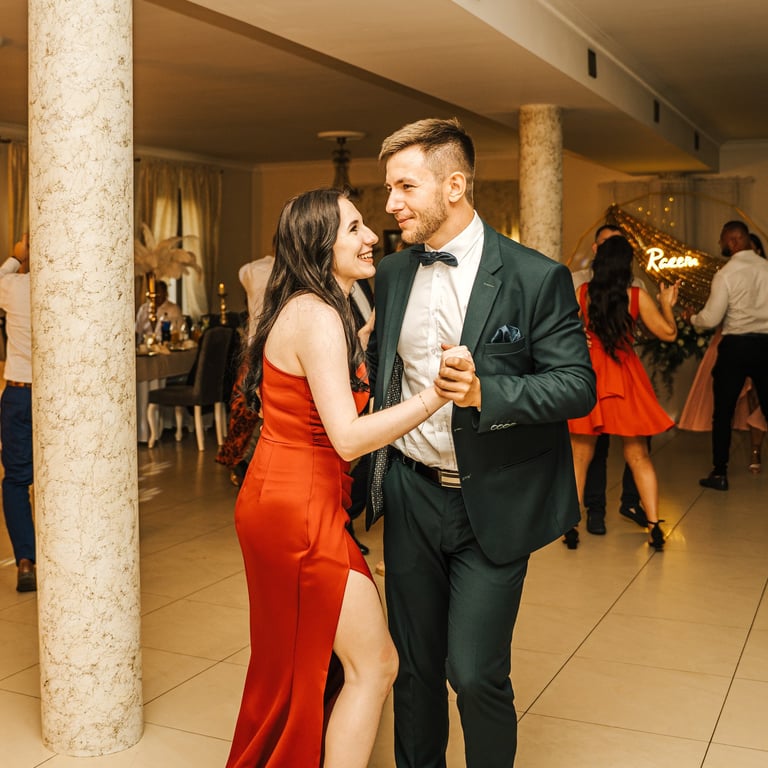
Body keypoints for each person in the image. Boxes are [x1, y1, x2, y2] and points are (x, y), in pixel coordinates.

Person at [368, 118, 596, 768]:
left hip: (493, 499)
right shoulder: (392, 273)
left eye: (406, 186)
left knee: (473, 672)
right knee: (415, 669)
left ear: (455, 185)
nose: (391, 204)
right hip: (412, 493)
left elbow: (577, 385)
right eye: (389, 189)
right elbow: (385, 375)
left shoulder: (534, 276)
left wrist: (484, 393)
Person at [226, 188, 468, 768]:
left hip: (288, 497)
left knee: (306, 662)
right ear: (319, 243)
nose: (371, 237)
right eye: (355, 228)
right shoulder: (315, 315)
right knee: (375, 664)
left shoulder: (314, 306)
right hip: (298, 509)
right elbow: (349, 438)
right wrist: (436, 396)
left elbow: (329, 387)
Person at [567, 235, 678, 551]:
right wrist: (666, 304)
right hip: (624, 374)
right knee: (638, 456)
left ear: (599, 261)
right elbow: (669, 334)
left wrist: (580, 336)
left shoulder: (583, 293)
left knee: (579, 456)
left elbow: (558, 329)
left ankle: (571, 527)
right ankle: (654, 527)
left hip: (590, 374)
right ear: (627, 265)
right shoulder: (636, 296)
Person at [572, 224, 649, 534]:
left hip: (622, 371)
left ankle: (630, 502)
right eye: (606, 243)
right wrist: (578, 335)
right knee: (594, 449)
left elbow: (642, 324)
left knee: (636, 445)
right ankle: (595, 511)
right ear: (595, 248)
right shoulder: (577, 282)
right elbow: (561, 324)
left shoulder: (635, 285)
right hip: (597, 372)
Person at [678, 232, 767, 472]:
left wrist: (692, 318)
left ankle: (719, 472)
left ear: (732, 241)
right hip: (766, 344)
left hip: (736, 346)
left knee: (724, 411)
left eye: (722, 240)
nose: (720, 245)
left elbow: (711, 318)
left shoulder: (726, 273)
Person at [216, 255, 275, 486]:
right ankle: (243, 462)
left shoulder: (251, 270)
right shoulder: (260, 270)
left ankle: (245, 462)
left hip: (261, 349)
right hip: (262, 351)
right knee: (249, 408)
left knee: (248, 408)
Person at [0, 234, 36, 592]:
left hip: (19, 393)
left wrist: (15, 258)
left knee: (15, 480)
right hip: (59, 398)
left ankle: (26, 559)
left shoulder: (14, 286)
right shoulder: (70, 290)